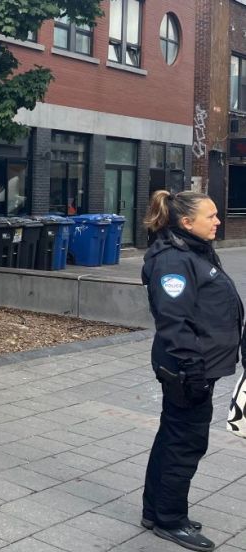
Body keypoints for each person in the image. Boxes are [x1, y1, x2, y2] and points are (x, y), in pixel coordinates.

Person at [141, 190, 242, 552]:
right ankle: (170, 520)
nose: (218, 221)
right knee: (185, 443)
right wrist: (192, 370)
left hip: (195, 365)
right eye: (211, 215)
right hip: (186, 368)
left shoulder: (193, 249)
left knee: (172, 436)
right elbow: (174, 322)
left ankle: (156, 511)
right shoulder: (174, 259)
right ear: (186, 222)